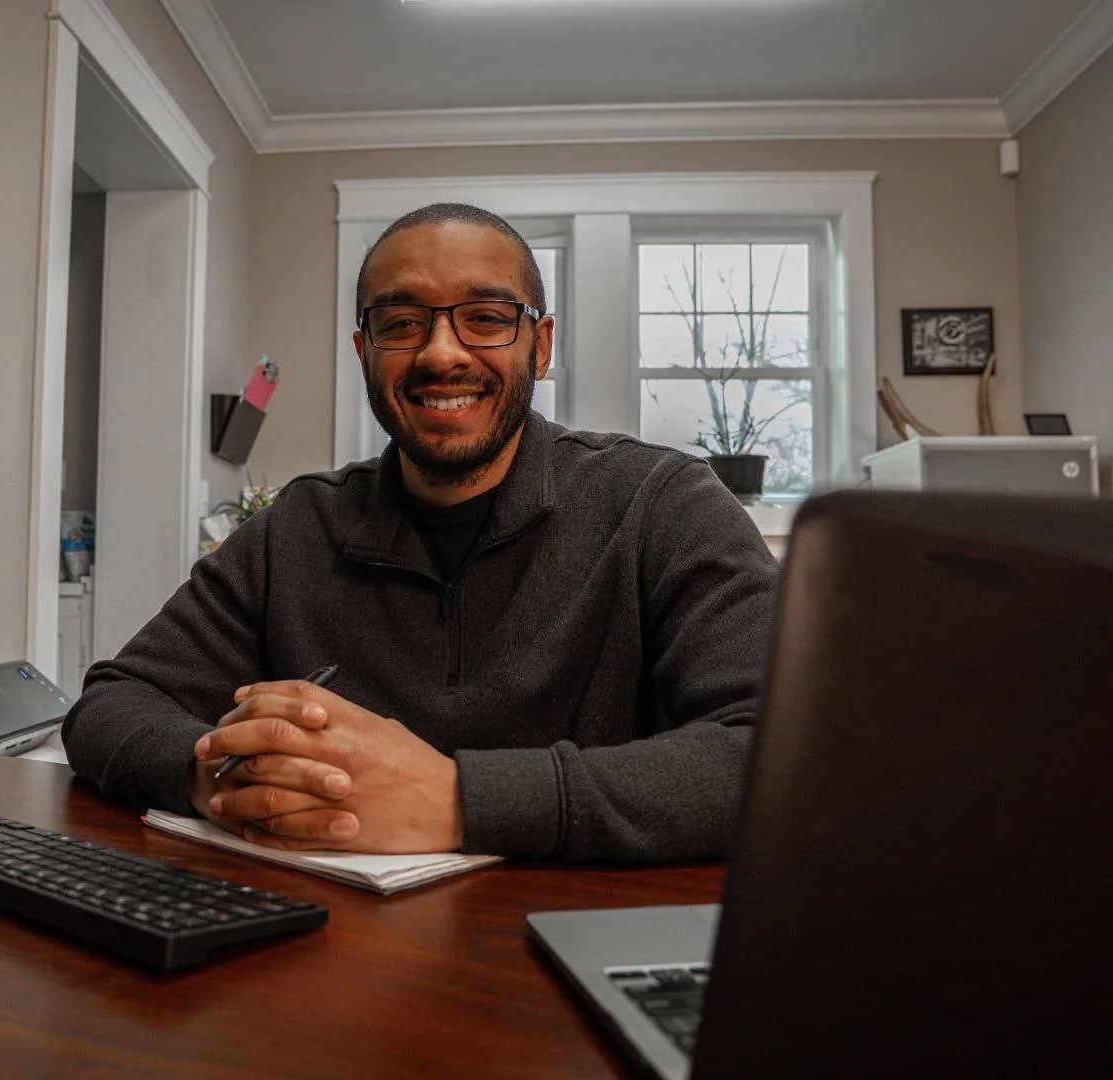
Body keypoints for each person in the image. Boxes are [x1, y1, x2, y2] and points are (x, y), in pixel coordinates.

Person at [62, 202, 779, 863]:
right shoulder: (295, 529)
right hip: (321, 955)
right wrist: (213, 773)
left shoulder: (665, 504)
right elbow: (112, 703)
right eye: (402, 323)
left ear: (541, 345)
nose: (442, 354)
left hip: (571, 947)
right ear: (364, 351)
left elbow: (779, 755)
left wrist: (457, 800)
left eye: (487, 318)